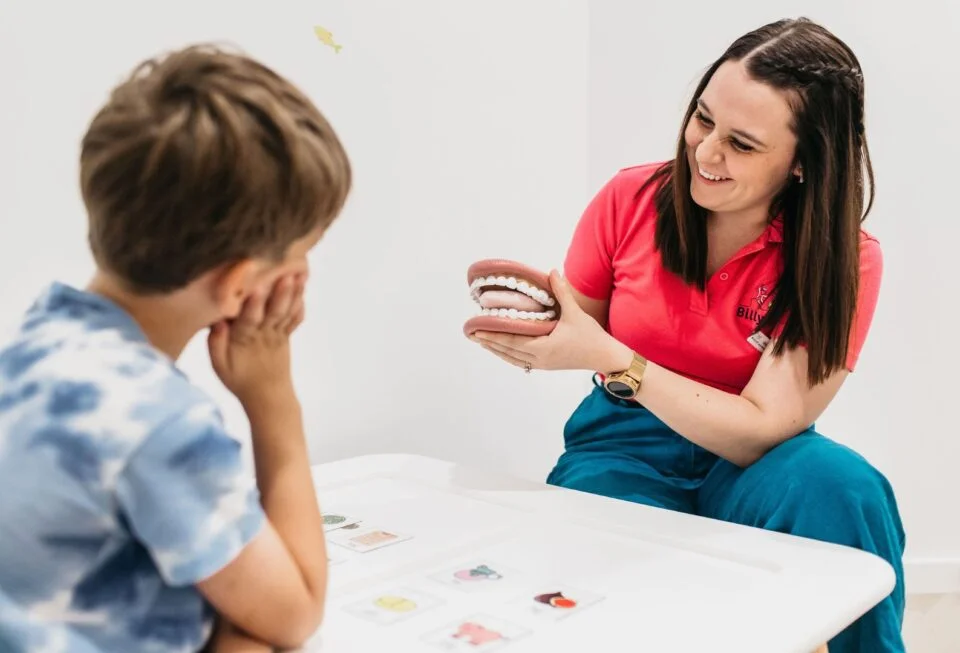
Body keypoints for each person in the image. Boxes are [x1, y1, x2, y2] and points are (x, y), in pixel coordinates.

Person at [470, 17, 905, 653]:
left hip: (757, 458)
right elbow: (575, 326)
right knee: (591, 528)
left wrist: (617, 359)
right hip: (624, 443)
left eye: (743, 143)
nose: (704, 152)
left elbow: (766, 424)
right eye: (703, 119)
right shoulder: (628, 198)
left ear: (806, 162)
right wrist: (534, 332)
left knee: (841, 486)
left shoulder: (846, 256)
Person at [0, 44, 351, 652]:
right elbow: (296, 613)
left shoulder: (35, 344)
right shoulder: (159, 422)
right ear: (241, 284)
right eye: (302, 254)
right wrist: (274, 402)